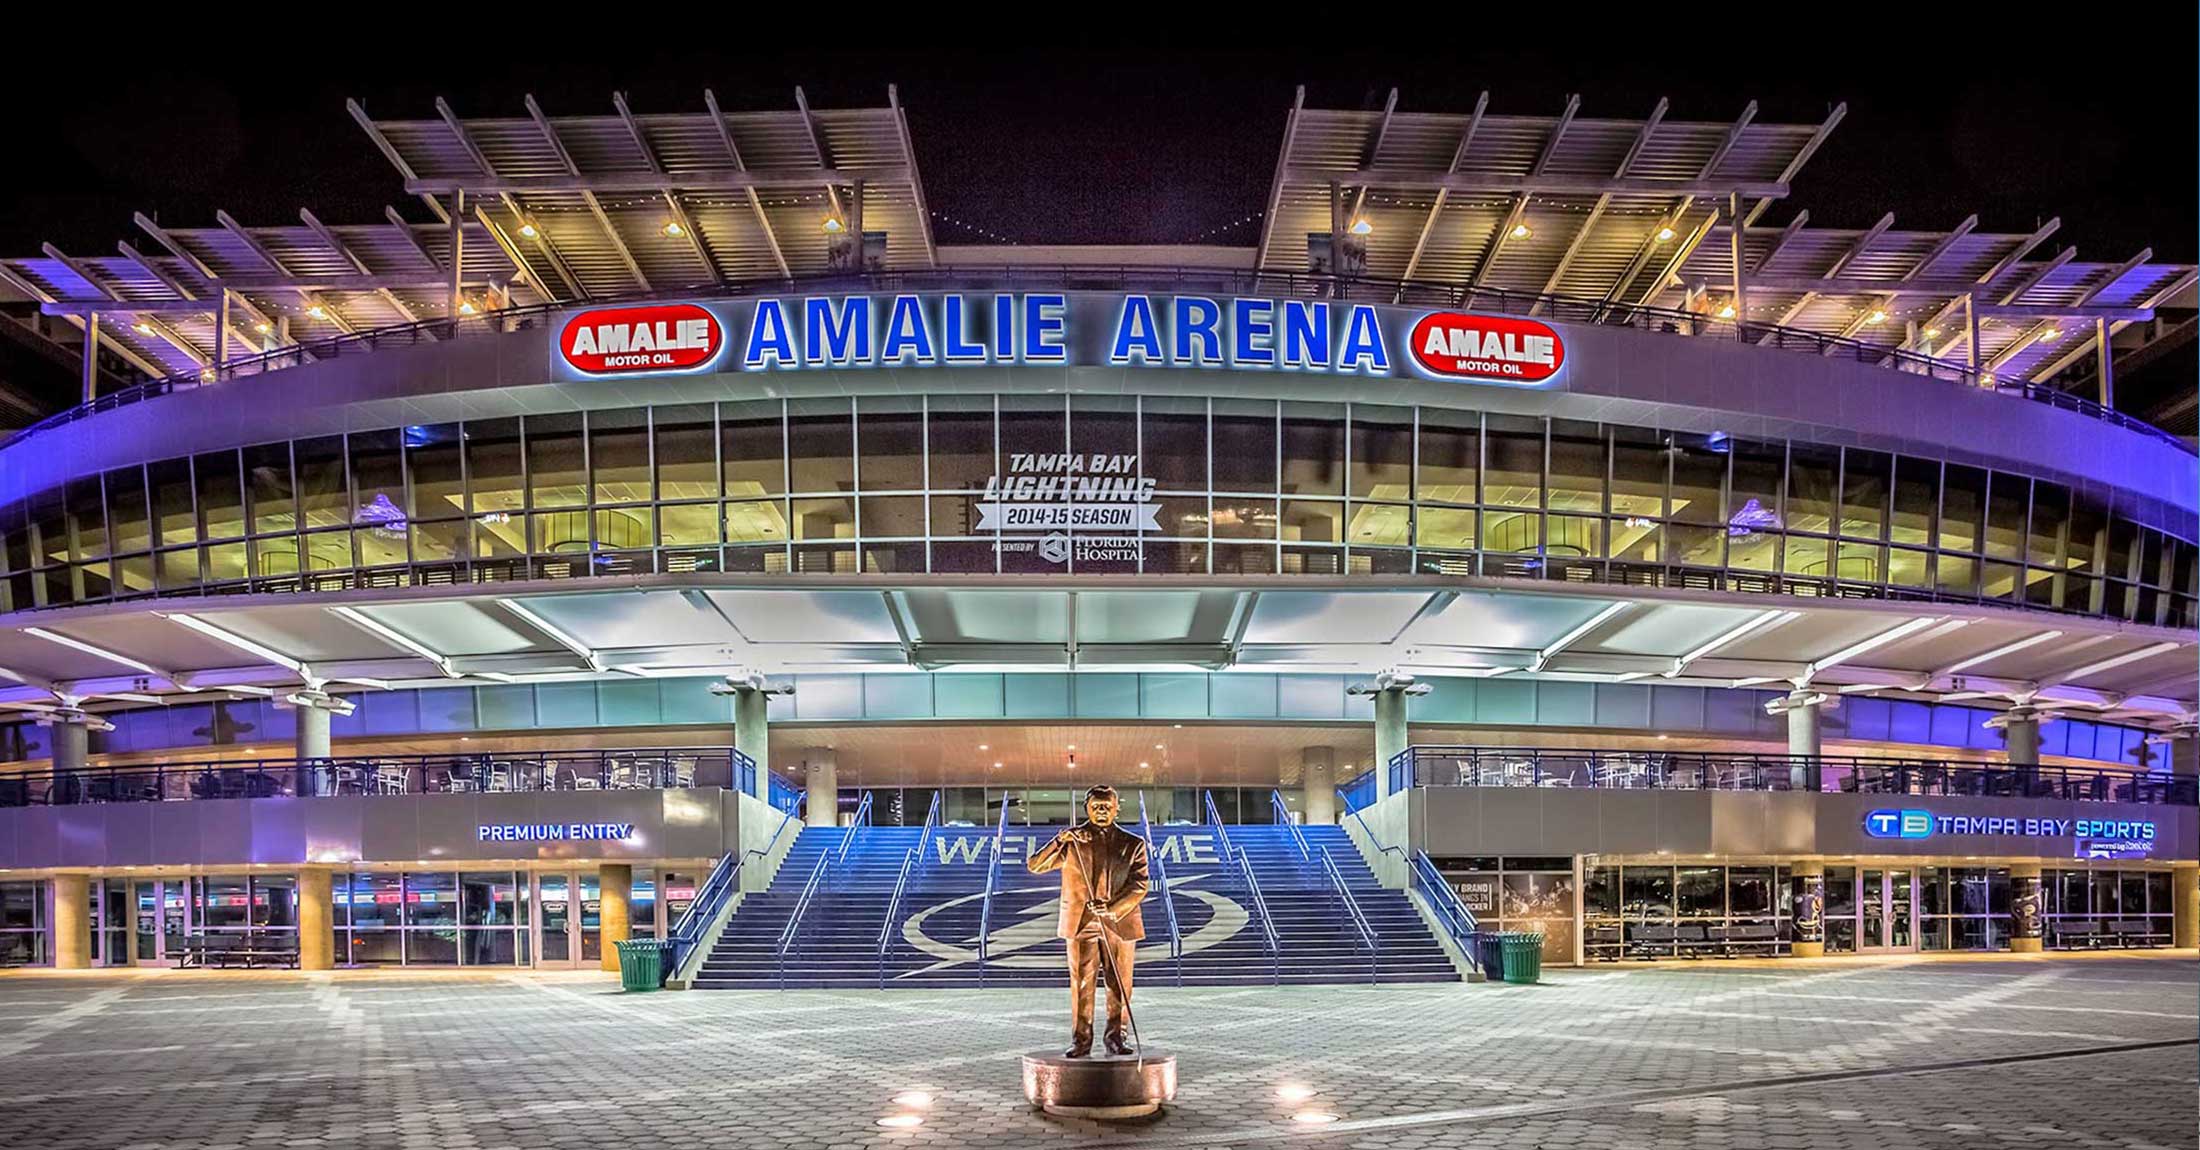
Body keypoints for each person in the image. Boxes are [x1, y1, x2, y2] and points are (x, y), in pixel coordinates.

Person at [1027, 784, 1149, 1057]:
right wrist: (1061, 840)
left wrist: (1113, 907)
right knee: (1082, 984)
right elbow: (1035, 865)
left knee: (1119, 985)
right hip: (1082, 923)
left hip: (1119, 923)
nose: (1102, 811)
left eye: (1107, 806)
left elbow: (1140, 884)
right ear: (1087, 809)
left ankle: (1116, 1037)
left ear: (1117, 808)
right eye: (1096, 807)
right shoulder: (1073, 842)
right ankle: (1081, 1041)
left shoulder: (1133, 844)